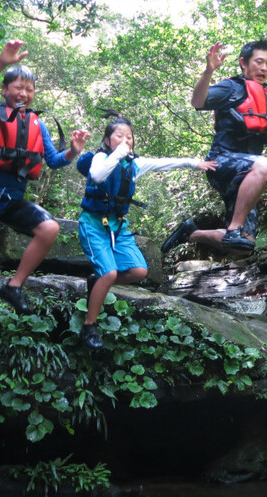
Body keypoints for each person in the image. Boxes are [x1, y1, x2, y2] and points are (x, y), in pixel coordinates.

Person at [160, 39, 267, 254]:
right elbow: (198, 102)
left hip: (246, 173)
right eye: (259, 62)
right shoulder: (231, 87)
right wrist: (208, 71)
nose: (264, 68)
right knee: (266, 166)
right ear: (244, 63)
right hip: (220, 162)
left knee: (243, 246)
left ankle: (190, 233)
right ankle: (234, 227)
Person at [0, 39, 90, 314]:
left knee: (50, 228)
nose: (24, 93)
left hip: (14, 200)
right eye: (18, 87)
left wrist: (73, 152)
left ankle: (14, 285)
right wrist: (3, 62)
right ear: (5, 89)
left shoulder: (36, 123)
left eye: (29, 89)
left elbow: (53, 161)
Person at [76, 112, 216, 348]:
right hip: (93, 223)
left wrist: (193, 163)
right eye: (119, 136)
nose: (125, 140)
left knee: (139, 271)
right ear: (108, 140)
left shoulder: (134, 164)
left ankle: (97, 281)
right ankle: (89, 325)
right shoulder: (99, 157)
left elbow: (164, 162)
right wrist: (118, 153)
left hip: (118, 224)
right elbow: (98, 177)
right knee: (109, 274)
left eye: (129, 137)